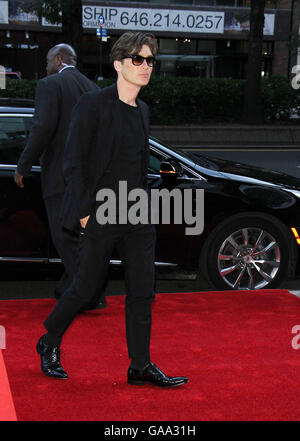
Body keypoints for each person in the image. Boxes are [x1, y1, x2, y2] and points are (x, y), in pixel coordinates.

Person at [36, 32, 188, 388]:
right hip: (100, 212)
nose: (145, 66)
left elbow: (136, 165)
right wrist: (86, 212)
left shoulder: (144, 111)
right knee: (86, 288)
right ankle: (49, 341)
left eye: (150, 60)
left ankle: (139, 366)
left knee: (142, 292)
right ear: (118, 64)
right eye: (138, 59)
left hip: (136, 214)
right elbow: (72, 163)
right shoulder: (93, 104)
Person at [14, 43, 106, 311]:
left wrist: (23, 166)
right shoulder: (93, 88)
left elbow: (42, 128)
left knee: (64, 237)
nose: (45, 67)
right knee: (81, 238)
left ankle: (89, 294)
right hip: (89, 177)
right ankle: (71, 288)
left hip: (60, 176)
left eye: (46, 62)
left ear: (58, 59)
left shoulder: (49, 85)